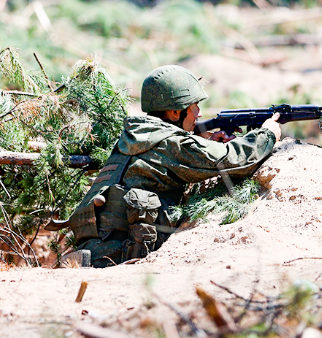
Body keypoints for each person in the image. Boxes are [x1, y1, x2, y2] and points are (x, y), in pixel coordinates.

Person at [50, 65, 281, 268]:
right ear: (174, 112)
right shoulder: (170, 144)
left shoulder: (134, 138)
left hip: (96, 252)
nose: (199, 113)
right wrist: (268, 133)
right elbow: (236, 160)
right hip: (117, 258)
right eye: (194, 107)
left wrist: (205, 144)